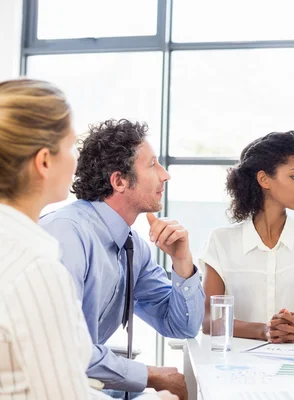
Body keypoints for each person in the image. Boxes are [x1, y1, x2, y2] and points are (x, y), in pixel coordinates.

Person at [0, 79, 176, 399]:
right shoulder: (38, 265)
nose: (76, 161)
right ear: (43, 162)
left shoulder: (19, 246)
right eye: (70, 147)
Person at [40, 119, 204, 399]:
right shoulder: (67, 234)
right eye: (153, 165)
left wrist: (182, 261)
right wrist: (150, 376)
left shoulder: (133, 247)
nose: (165, 175)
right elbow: (62, 348)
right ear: (119, 181)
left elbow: (181, 326)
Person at [199, 131, 294, 343]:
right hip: (238, 367)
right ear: (264, 179)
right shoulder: (221, 242)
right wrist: (264, 331)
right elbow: (208, 321)